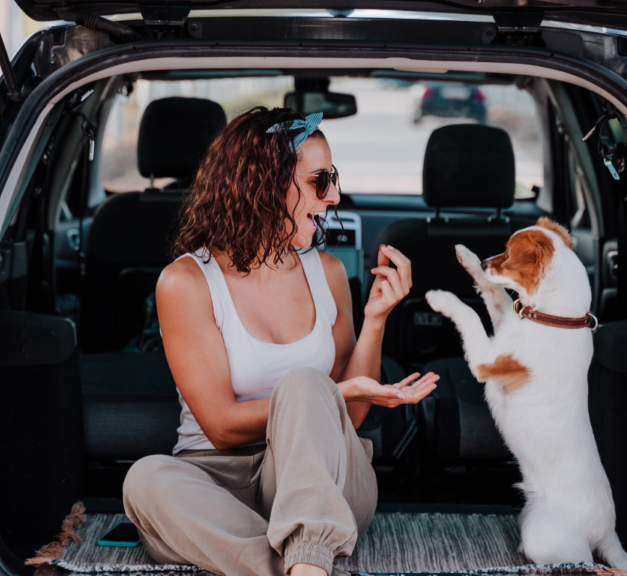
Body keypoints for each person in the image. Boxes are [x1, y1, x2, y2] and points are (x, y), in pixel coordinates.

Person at [122, 107, 438, 576]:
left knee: (305, 386)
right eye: (320, 181)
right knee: (143, 480)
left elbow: (350, 413)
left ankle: (302, 548)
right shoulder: (186, 281)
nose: (335, 196)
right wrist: (329, 393)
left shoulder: (328, 273)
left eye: (334, 179)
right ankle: (301, 564)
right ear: (264, 183)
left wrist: (376, 320)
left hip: (323, 479)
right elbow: (222, 427)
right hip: (218, 481)